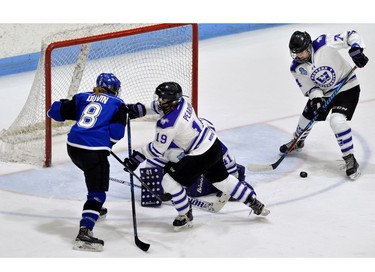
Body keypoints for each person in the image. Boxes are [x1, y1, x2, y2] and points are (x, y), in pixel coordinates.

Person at [124, 82, 270, 231]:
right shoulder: (183, 103)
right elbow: (157, 108)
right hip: (213, 145)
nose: (159, 101)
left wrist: (137, 156)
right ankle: (255, 203)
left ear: (170, 101)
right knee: (222, 181)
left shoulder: (168, 123)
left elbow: (157, 149)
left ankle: (185, 215)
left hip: (200, 154)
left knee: (169, 182)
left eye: (162, 99)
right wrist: (137, 109)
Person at [47, 73, 146, 251]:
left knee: (91, 175)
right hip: (93, 153)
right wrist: (107, 142)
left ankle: (94, 209)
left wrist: (62, 103)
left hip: (73, 148)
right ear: (115, 89)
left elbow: (54, 112)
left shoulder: (83, 97)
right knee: (98, 192)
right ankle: (84, 233)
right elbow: (116, 134)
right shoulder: (119, 105)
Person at [280, 30, 369, 180]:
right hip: (325, 92)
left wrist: (356, 48)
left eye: (301, 52)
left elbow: (350, 35)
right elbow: (310, 87)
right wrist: (317, 99)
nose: (299, 56)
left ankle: (349, 158)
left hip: (347, 86)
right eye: (296, 53)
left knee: (337, 121)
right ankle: (297, 141)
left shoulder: (323, 43)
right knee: (305, 118)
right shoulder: (296, 67)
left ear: (309, 46)